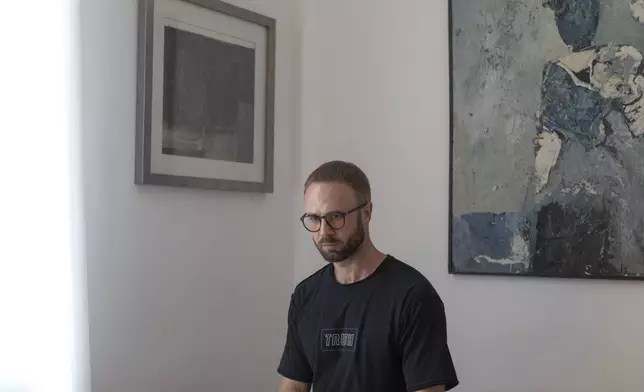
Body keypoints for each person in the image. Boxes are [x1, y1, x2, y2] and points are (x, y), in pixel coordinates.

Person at [277, 160, 459, 392]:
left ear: (367, 213)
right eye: (314, 218)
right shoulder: (305, 295)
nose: (324, 231)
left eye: (335, 217)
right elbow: (294, 385)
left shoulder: (413, 296)